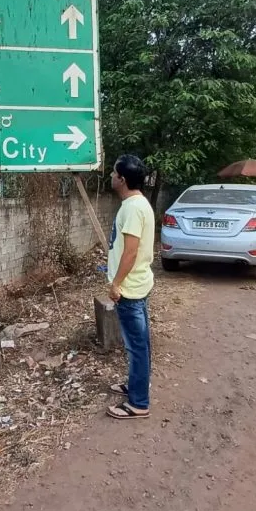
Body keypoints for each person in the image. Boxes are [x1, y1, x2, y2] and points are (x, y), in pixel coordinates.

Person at [106, 154, 155, 420]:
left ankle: (138, 403)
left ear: (122, 179)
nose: (111, 176)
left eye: (114, 173)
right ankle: (137, 385)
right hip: (138, 284)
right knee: (141, 344)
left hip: (130, 290)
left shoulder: (133, 208)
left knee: (136, 346)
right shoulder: (138, 204)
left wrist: (116, 284)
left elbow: (130, 252)